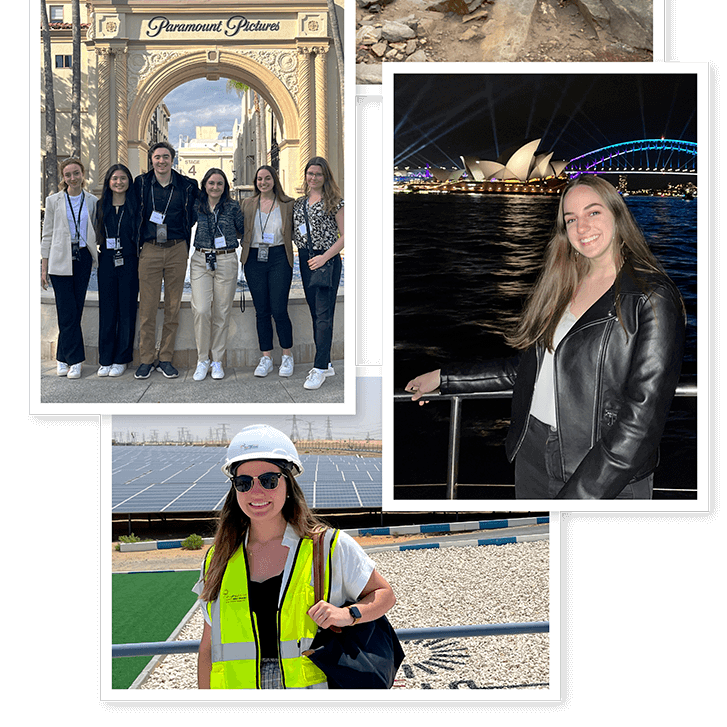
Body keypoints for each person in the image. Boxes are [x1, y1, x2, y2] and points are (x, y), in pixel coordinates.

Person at [406, 175, 686, 500]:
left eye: (593, 212)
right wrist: (444, 377)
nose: (582, 227)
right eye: (571, 219)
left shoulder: (651, 297)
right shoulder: (565, 284)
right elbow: (529, 369)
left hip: (605, 471)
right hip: (533, 451)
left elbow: (642, 421)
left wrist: (579, 498)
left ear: (617, 215)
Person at [194, 424, 396, 689]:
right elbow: (208, 646)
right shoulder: (217, 559)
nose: (256, 492)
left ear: (288, 483)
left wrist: (348, 614)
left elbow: (384, 595)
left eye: (269, 480)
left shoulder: (328, 546)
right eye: (243, 483)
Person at [134, 141, 198, 380]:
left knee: (172, 308)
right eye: (157, 157)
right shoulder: (141, 184)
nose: (161, 161)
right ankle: (146, 359)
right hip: (149, 249)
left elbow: (195, 212)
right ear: (151, 159)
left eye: (165, 157)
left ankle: (166, 358)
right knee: (148, 308)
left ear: (173, 159)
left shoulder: (187, 185)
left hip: (176, 249)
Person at [41, 158, 99, 379]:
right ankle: (75, 360)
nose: (73, 178)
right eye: (68, 175)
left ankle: (61, 356)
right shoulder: (54, 200)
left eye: (76, 173)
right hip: (59, 258)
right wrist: (43, 267)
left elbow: (93, 228)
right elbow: (47, 235)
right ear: (63, 178)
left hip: (82, 256)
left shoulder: (92, 200)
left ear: (82, 174)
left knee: (76, 309)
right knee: (66, 310)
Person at [292, 157, 344, 391]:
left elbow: (346, 235)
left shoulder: (335, 202)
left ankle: (320, 367)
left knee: (324, 314)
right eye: (310, 173)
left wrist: (325, 257)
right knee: (316, 313)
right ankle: (328, 362)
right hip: (305, 259)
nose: (313, 178)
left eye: (318, 174)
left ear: (326, 177)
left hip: (326, 260)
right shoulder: (299, 204)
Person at [241, 166, 295, 378]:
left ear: (274, 180)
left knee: (279, 309)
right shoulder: (246, 204)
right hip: (254, 259)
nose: (263, 182)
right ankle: (266, 357)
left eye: (267, 178)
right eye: (259, 179)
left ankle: (287, 356)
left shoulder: (288, 204)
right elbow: (238, 229)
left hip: (279, 257)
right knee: (261, 310)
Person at [190, 168, 244, 381]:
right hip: (201, 260)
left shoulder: (233, 206)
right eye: (211, 183)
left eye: (219, 183)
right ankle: (202, 359)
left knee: (222, 313)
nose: (215, 187)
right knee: (202, 310)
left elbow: (241, 229)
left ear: (225, 186)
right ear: (205, 185)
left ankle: (217, 360)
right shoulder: (197, 206)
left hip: (226, 259)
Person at [94, 164, 140, 378]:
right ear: (108, 182)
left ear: (129, 181)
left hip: (130, 261)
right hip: (106, 261)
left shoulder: (136, 206)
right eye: (115, 178)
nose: (119, 182)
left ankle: (122, 358)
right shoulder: (100, 205)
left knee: (127, 310)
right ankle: (105, 358)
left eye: (123, 178)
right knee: (108, 310)